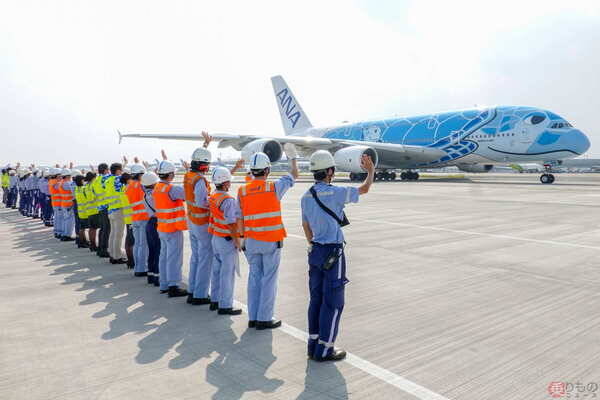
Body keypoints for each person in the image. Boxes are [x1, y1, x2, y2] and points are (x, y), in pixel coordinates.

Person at [301, 150, 375, 362]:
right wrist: (370, 171)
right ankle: (325, 350)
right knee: (333, 302)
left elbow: (305, 226)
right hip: (333, 252)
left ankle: (313, 344)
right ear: (330, 171)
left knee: (315, 299)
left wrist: (314, 245)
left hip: (314, 251)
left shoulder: (306, 196)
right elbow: (365, 188)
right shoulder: (336, 193)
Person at [237, 147, 298, 330]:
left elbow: (239, 217)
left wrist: (241, 239)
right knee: (269, 279)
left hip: (251, 242)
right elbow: (294, 174)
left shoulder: (242, 191)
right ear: (267, 170)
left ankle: (253, 317)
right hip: (271, 241)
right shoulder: (274, 187)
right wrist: (293, 157)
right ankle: (264, 319)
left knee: (254, 278)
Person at [208, 167, 243, 315]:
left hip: (216, 238)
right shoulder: (228, 200)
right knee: (227, 274)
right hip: (226, 240)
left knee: (216, 271)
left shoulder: (213, 196)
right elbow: (231, 222)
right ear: (225, 183)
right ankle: (225, 305)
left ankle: (215, 301)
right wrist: (237, 240)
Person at [183, 147, 214, 305]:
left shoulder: (188, 175)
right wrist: (215, 202)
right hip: (202, 222)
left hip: (192, 220)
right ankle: (200, 295)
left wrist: (205, 145)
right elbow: (202, 201)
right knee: (205, 259)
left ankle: (192, 290)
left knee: (195, 258)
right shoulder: (200, 180)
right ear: (203, 165)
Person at [153, 160, 188, 297]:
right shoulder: (172, 189)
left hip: (162, 227)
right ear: (171, 175)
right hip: (173, 228)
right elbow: (188, 194)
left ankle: (164, 284)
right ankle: (173, 286)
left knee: (164, 256)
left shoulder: (157, 187)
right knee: (174, 258)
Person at [126, 164, 149, 277]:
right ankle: (142, 268)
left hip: (134, 218)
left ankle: (137, 267)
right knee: (143, 245)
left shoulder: (129, 186)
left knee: (137, 244)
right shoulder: (142, 185)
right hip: (144, 218)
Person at [105, 163, 127, 264]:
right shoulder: (118, 179)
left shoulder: (108, 180)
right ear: (118, 170)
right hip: (118, 209)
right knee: (118, 234)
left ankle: (112, 254)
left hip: (110, 209)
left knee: (113, 233)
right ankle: (117, 257)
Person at [141, 171, 160, 286]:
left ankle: (151, 275)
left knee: (152, 250)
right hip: (157, 222)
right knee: (158, 250)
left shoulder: (145, 194)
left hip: (150, 223)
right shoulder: (155, 194)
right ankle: (158, 276)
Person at [93, 163, 111, 258]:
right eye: (108, 169)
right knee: (107, 230)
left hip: (99, 206)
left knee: (102, 229)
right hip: (106, 206)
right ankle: (104, 249)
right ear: (105, 170)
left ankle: (100, 248)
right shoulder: (105, 178)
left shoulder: (96, 180)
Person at [73, 171, 91, 248]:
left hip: (80, 210)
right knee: (86, 228)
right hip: (85, 211)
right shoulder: (83, 189)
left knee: (81, 228)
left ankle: (80, 241)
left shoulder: (77, 188)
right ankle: (85, 241)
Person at [83, 171, 99, 251]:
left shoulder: (85, 186)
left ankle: (92, 245)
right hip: (95, 210)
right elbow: (96, 197)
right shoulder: (93, 185)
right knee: (95, 229)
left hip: (88, 210)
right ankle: (94, 245)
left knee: (91, 228)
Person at [58, 168, 75, 241]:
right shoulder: (67, 183)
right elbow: (73, 191)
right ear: (68, 176)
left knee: (65, 220)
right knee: (69, 221)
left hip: (64, 203)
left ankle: (64, 234)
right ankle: (67, 235)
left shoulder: (61, 182)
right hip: (69, 204)